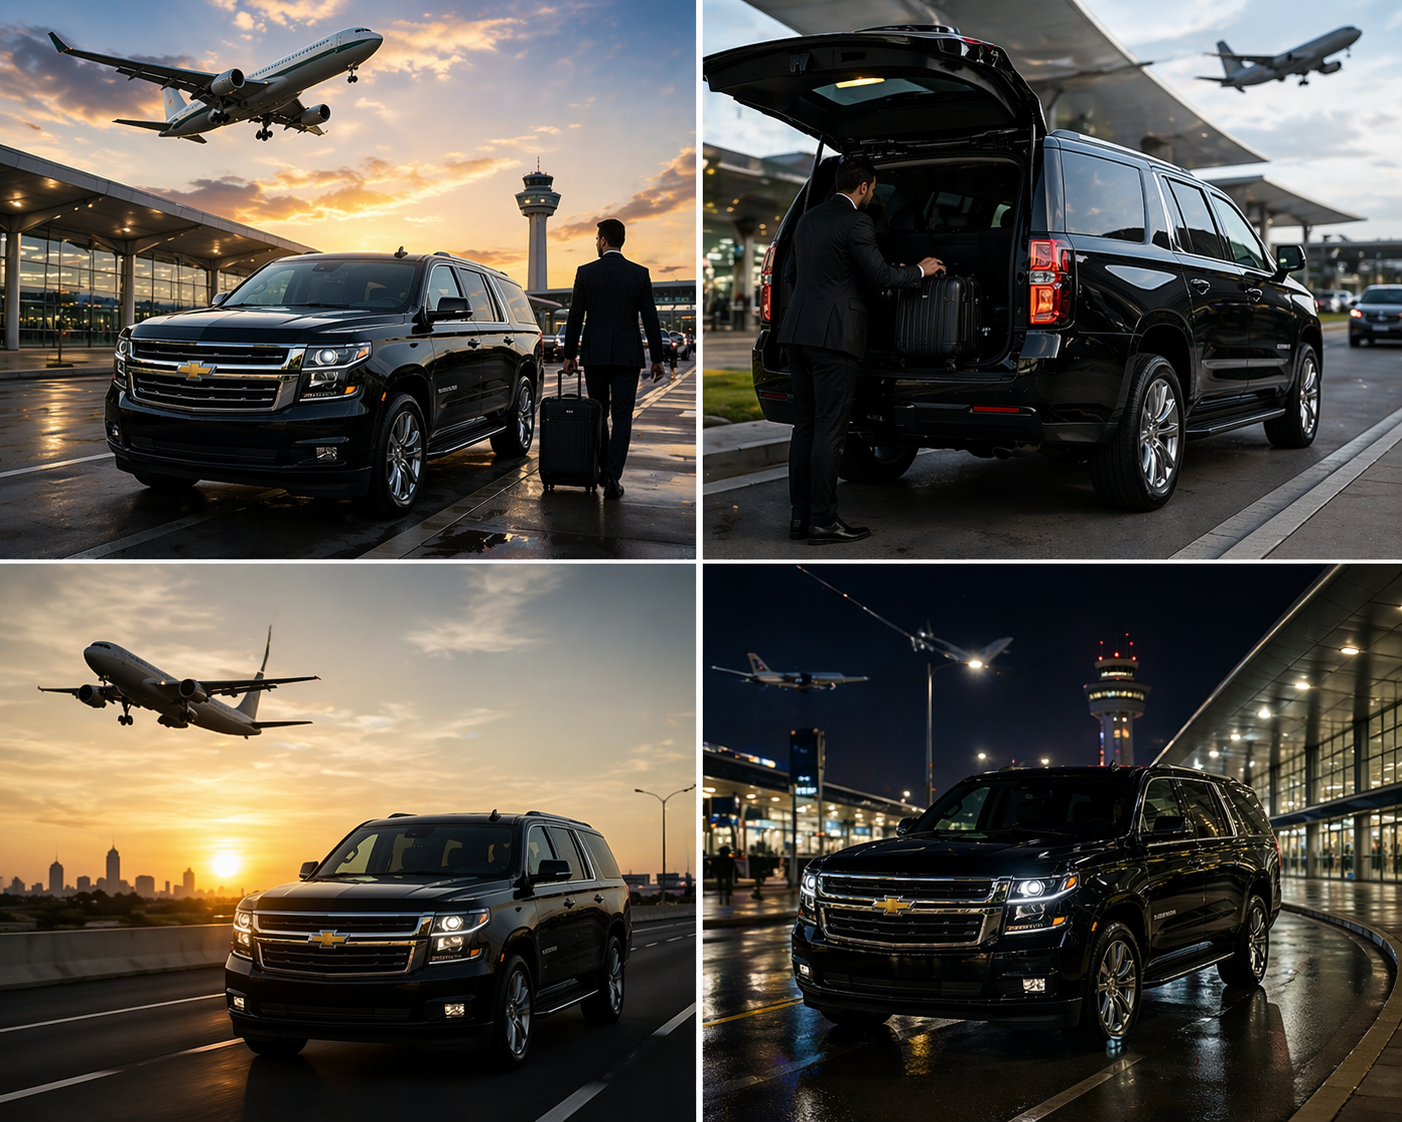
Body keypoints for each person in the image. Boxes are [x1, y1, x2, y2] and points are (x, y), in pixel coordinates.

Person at [778, 157, 944, 545]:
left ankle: (800, 519)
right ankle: (823, 521)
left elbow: (790, 275)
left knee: (804, 426)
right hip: (835, 338)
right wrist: (921, 270)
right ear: (865, 187)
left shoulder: (806, 220)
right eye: (872, 189)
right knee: (830, 429)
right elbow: (882, 275)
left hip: (796, 334)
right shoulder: (857, 221)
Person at [562, 218, 665, 500]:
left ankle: (603, 470)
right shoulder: (639, 274)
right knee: (622, 416)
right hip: (627, 356)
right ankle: (612, 477)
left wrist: (569, 354)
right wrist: (658, 358)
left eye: (597, 239)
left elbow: (575, 316)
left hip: (595, 356)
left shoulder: (585, 273)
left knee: (599, 414)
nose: (596, 243)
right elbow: (651, 318)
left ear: (604, 240)